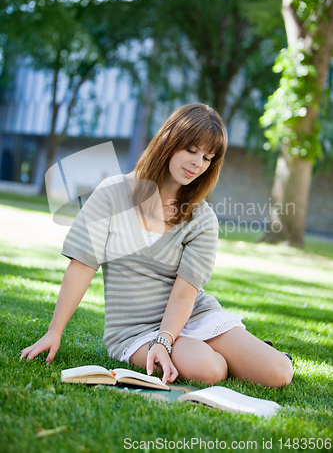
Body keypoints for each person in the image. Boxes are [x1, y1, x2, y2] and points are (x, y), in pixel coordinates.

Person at [20, 103, 293, 388]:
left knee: (279, 374)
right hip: (135, 329)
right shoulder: (112, 194)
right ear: (169, 140)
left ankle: (254, 350)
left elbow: (184, 295)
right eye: (192, 150)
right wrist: (55, 331)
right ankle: (222, 353)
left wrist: (166, 339)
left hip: (191, 314)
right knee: (210, 369)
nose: (198, 163)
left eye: (207, 157)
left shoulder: (202, 218)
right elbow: (82, 265)